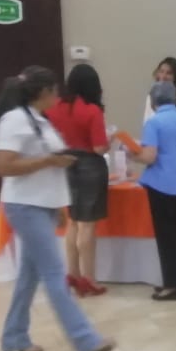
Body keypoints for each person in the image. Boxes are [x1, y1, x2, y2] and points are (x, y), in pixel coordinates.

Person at [0, 65, 114, 351]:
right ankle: (85, 339)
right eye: (54, 90)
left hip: (43, 205)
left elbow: (48, 166)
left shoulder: (40, 120)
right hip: (25, 205)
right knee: (54, 273)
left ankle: (14, 337)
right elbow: (4, 166)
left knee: (28, 276)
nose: (58, 96)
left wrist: (57, 206)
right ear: (43, 92)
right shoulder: (14, 120)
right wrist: (47, 161)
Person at [45, 63, 109, 298]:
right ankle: (89, 279)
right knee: (87, 225)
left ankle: (72, 274)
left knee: (72, 221)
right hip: (90, 167)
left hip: (65, 166)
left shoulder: (55, 108)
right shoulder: (92, 111)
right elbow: (100, 147)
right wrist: (110, 140)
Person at [133, 81, 176, 302]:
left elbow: (149, 156)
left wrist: (132, 154)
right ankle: (174, 282)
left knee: (165, 237)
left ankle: (171, 286)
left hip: (160, 185)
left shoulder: (154, 122)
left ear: (153, 101)